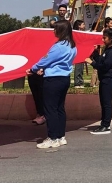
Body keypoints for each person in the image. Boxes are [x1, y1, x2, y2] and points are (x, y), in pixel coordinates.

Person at [29, 20, 77, 149]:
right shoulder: (72, 46)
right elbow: (57, 62)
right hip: (64, 78)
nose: (54, 31)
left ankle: (52, 137)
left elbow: (46, 59)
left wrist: (33, 68)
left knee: (50, 109)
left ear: (61, 30)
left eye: (55, 29)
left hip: (53, 80)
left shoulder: (58, 46)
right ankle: (61, 136)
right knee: (59, 108)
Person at [85, 28, 112, 134]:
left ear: (111, 38)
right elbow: (101, 60)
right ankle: (103, 123)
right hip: (104, 80)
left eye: (105, 38)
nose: (103, 40)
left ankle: (106, 125)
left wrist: (92, 63)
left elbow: (105, 66)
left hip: (109, 80)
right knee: (103, 103)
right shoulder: (107, 50)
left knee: (106, 103)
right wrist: (95, 54)